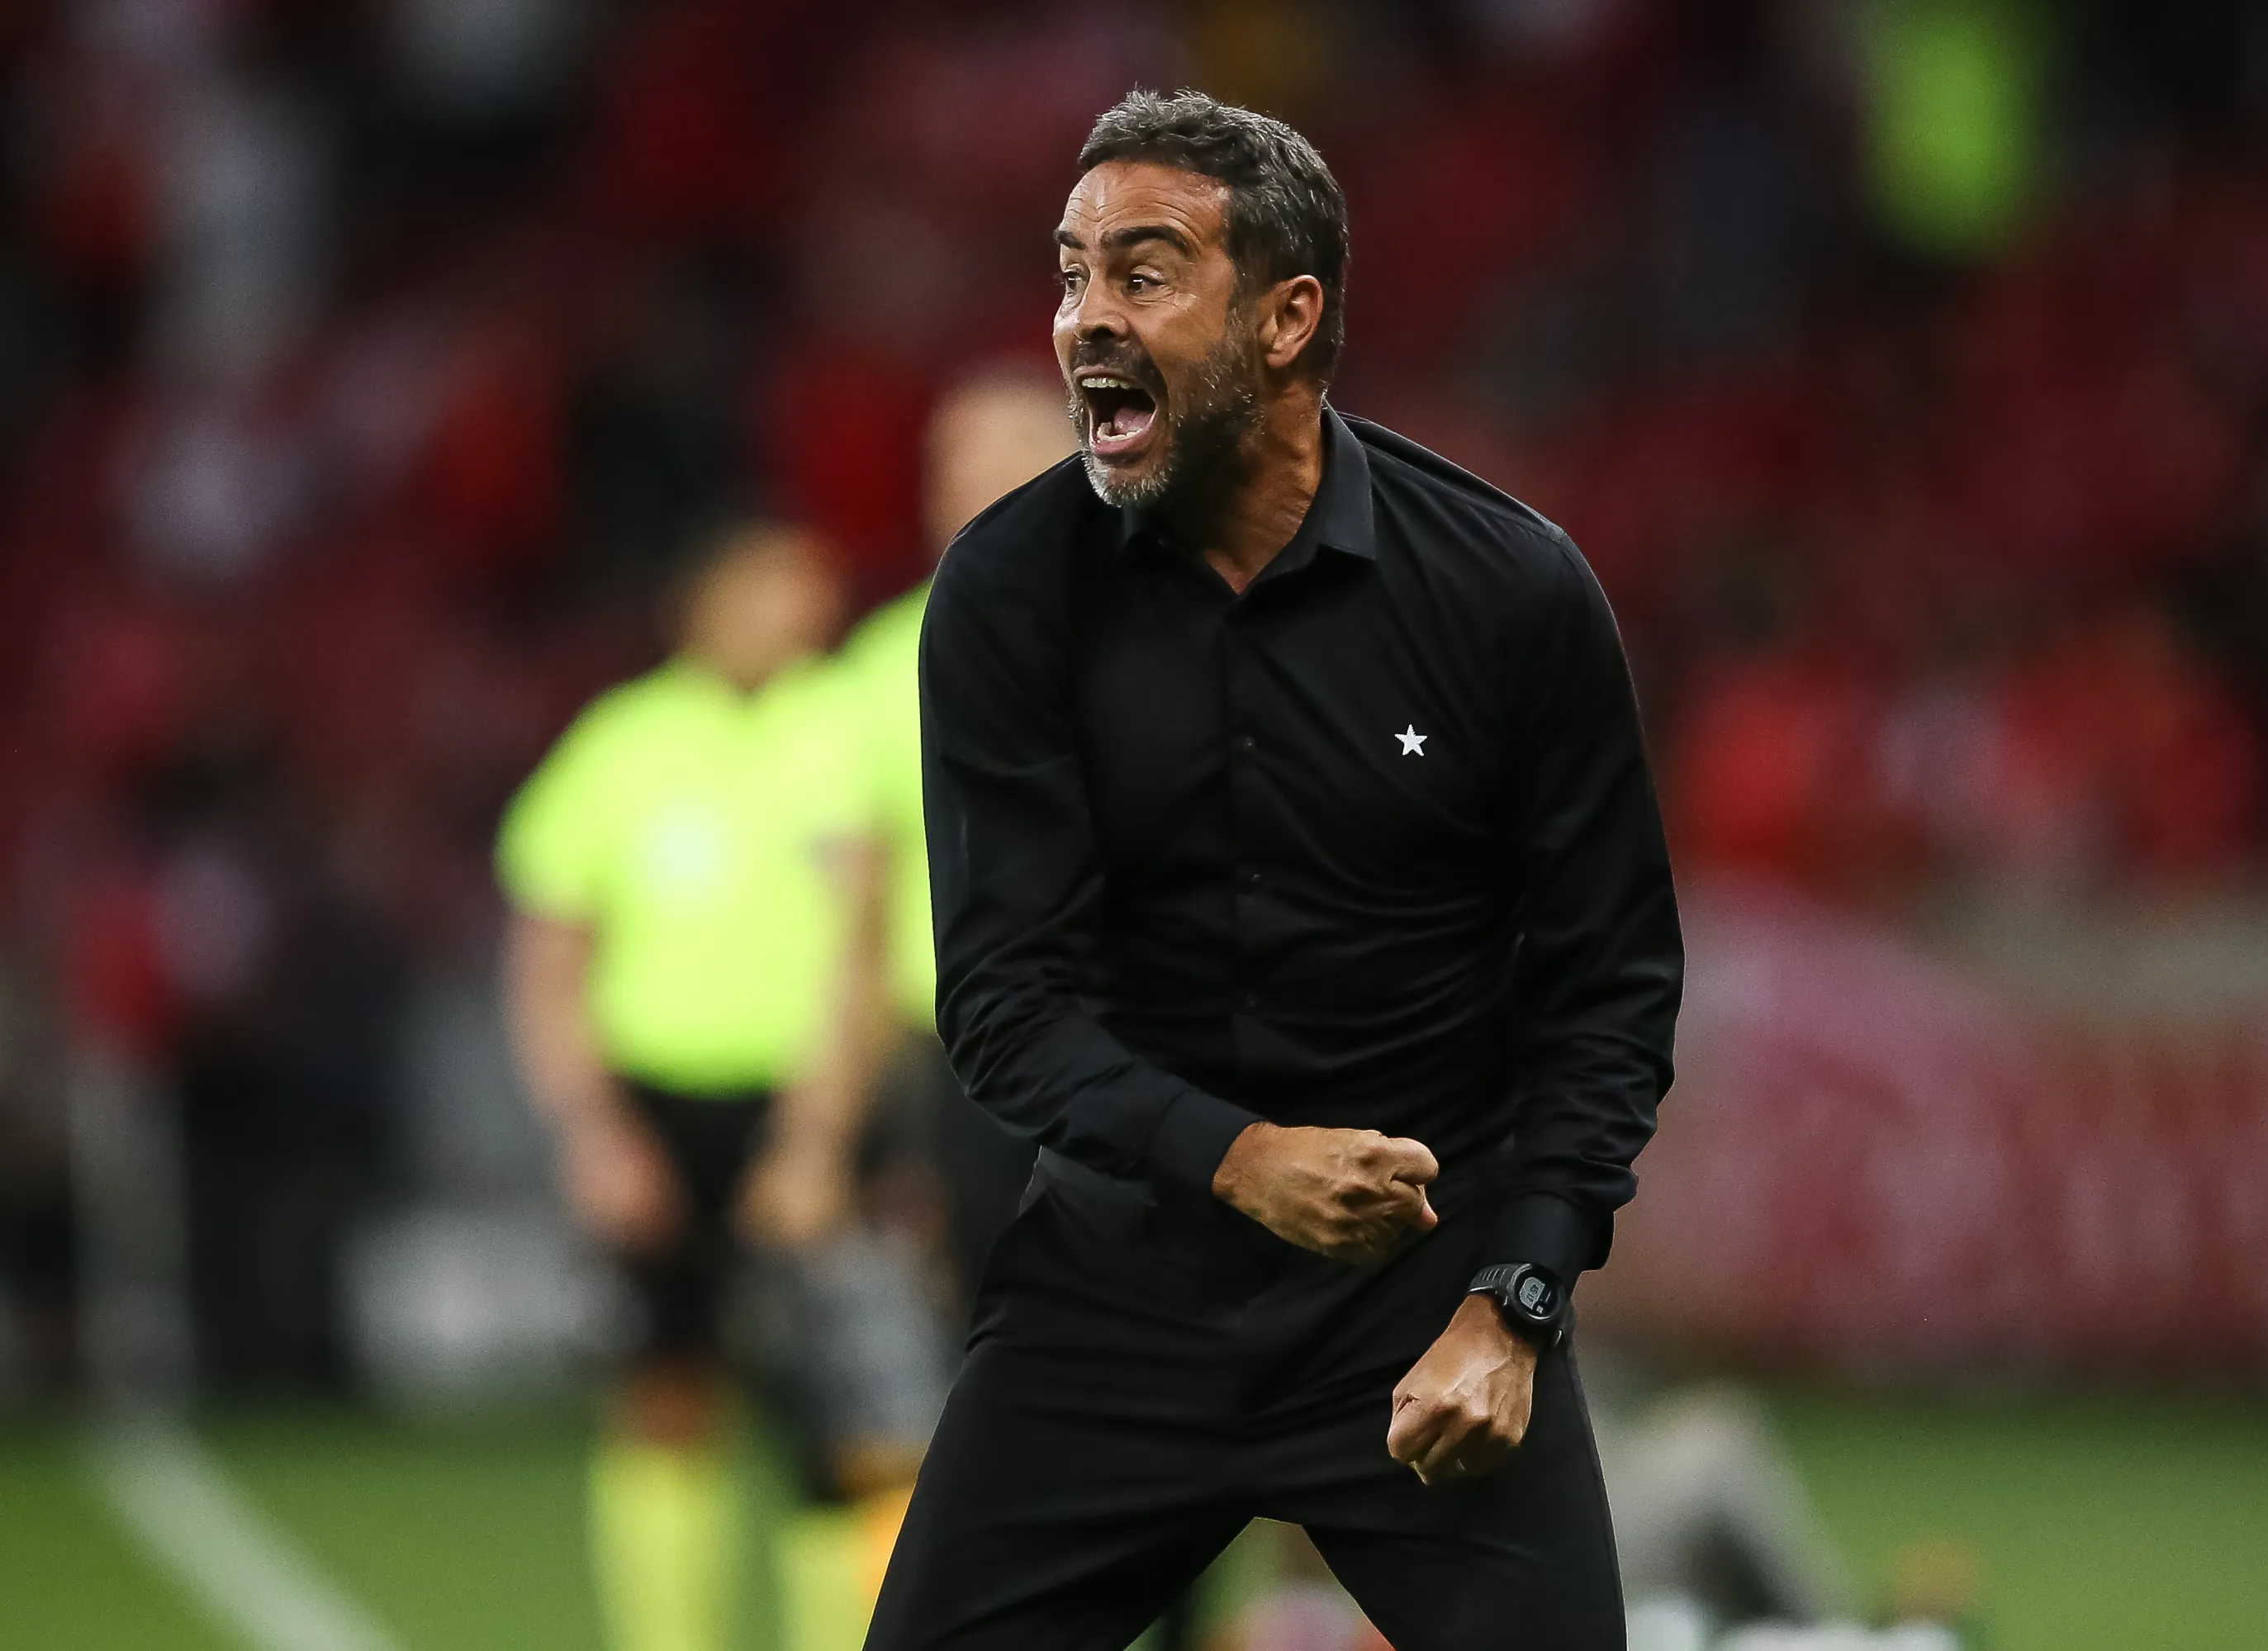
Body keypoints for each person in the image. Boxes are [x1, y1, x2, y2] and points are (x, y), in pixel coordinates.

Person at [867, 90, 1684, 1649]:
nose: (1084, 318)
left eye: (1146, 272)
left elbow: (1610, 985)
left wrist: (1513, 1302)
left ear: (1289, 317)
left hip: (1422, 1307)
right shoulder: (1006, 593)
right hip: (1113, 1297)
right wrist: (1241, 1156)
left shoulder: (1508, 588)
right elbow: (999, 998)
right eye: (1069, 274)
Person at [500, 523, 932, 1651]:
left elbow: (865, 941)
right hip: (659, 1106)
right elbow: (547, 957)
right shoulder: (622, 742)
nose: (798, 607)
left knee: (851, 1418)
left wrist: (819, 1136)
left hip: (814, 1106)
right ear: (700, 600)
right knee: (666, 1396)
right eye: (768, 584)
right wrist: (594, 1130)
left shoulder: (840, 727)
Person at [825, 366, 1074, 1309]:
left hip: (1138, 1030)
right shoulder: (884, 661)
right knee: (984, 1318)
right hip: (960, 1058)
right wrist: (843, 1112)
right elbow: (858, 906)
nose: (964, 482)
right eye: (949, 461)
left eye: (1002, 457)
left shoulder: (1158, 625)